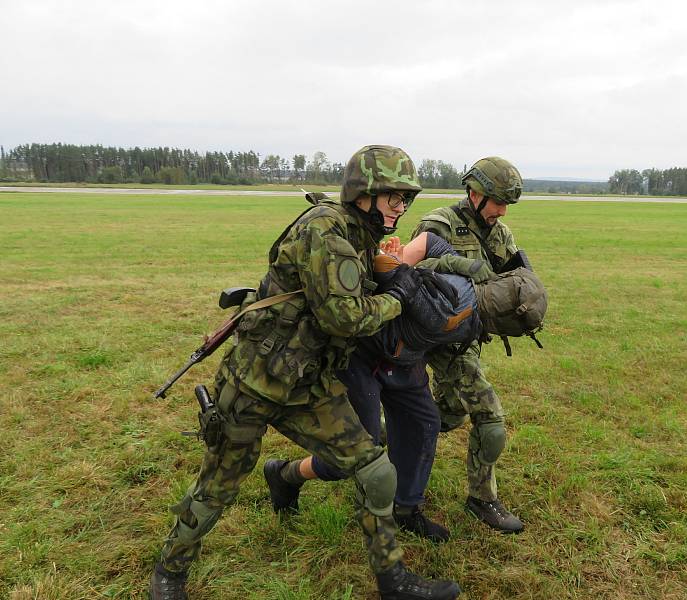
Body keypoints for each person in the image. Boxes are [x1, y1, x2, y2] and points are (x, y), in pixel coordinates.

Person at [149, 145, 461, 600]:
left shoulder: (360, 235)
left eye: (406, 198)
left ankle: (393, 581)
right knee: (216, 488)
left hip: (308, 387)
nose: (401, 206)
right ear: (363, 192)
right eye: (392, 195)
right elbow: (345, 318)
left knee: (376, 472)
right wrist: (400, 298)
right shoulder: (326, 231)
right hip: (254, 384)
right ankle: (169, 571)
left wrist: (394, 273)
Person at [264, 232, 546, 542]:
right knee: (358, 450)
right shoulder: (449, 312)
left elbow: (430, 241)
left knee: (424, 424)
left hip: (401, 357)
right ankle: (285, 474)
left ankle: (405, 509)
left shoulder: (469, 288)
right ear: (504, 319)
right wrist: (393, 261)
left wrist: (448, 262)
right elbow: (389, 271)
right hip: (362, 355)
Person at [411, 157, 530, 533]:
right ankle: (483, 499)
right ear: (474, 192)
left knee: (448, 414)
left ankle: (377, 437)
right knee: (490, 418)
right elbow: (409, 277)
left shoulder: (500, 232)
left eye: (506, 203)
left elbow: (511, 279)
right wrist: (458, 268)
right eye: (496, 200)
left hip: (471, 337)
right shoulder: (438, 225)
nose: (501, 210)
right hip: (442, 340)